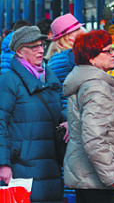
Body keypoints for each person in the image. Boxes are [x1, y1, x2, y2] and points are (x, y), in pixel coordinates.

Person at [63, 30, 114, 203]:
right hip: (97, 180)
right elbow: (93, 137)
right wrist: (111, 175)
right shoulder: (96, 88)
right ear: (91, 58)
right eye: (108, 51)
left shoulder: (87, 81)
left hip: (89, 176)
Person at [0, 26, 65, 202]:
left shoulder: (48, 76)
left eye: (42, 45)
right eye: (33, 46)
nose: (41, 50)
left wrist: (65, 120)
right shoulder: (9, 80)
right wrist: (3, 163)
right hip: (22, 165)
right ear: (19, 52)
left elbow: (59, 108)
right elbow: (0, 123)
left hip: (50, 161)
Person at [48, 13, 114, 112]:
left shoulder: (55, 58)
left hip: (68, 111)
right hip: (76, 112)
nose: (81, 31)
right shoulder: (70, 56)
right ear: (66, 37)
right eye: (76, 30)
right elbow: (108, 57)